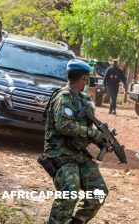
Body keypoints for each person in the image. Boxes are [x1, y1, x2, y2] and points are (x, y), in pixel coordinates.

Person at [43, 59, 109, 224]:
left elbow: (88, 128)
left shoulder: (83, 98)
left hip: (78, 154)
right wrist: (89, 131)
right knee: (70, 192)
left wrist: (102, 142)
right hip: (60, 153)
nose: (89, 81)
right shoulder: (63, 97)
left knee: (99, 191)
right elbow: (63, 126)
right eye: (88, 78)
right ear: (84, 78)